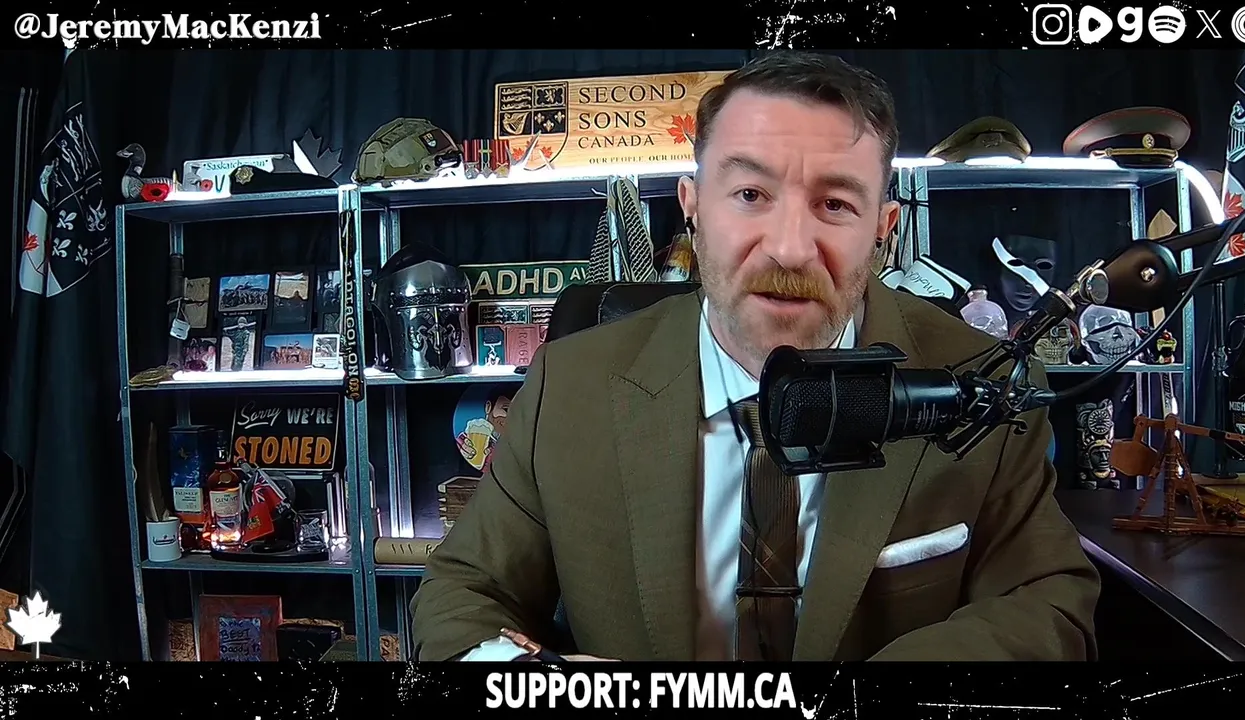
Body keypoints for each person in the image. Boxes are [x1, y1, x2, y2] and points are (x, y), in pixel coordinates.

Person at [410, 51, 1100, 662]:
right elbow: (464, 592)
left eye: (835, 204)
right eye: (750, 195)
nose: (790, 248)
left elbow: (1046, 603)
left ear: (883, 229)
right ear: (693, 208)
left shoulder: (986, 384)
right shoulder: (569, 386)